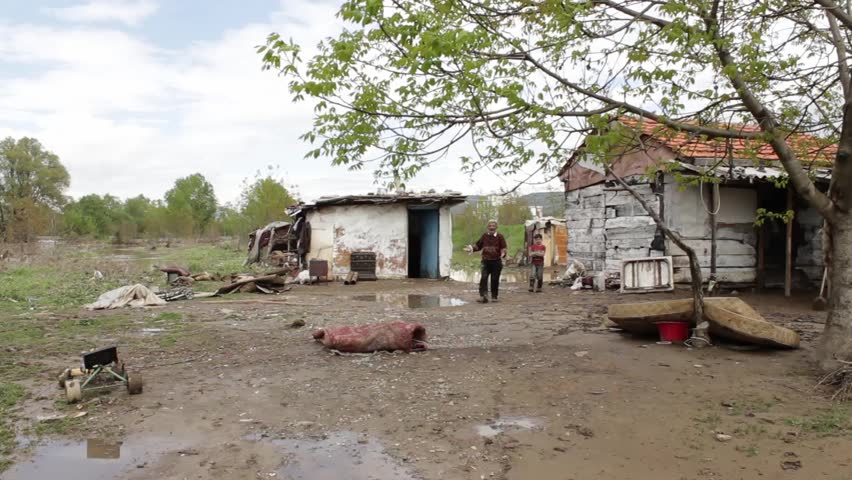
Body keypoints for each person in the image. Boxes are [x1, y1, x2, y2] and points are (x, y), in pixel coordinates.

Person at [464, 220, 507, 303]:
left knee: (495, 279)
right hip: (485, 261)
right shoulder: (484, 236)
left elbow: (504, 248)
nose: (491, 227)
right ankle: (483, 296)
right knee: (483, 278)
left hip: (496, 261)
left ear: (496, 227)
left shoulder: (500, 236)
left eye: (493, 226)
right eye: (490, 226)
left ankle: (494, 297)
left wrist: (503, 253)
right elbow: (478, 245)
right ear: (488, 227)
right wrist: (471, 249)